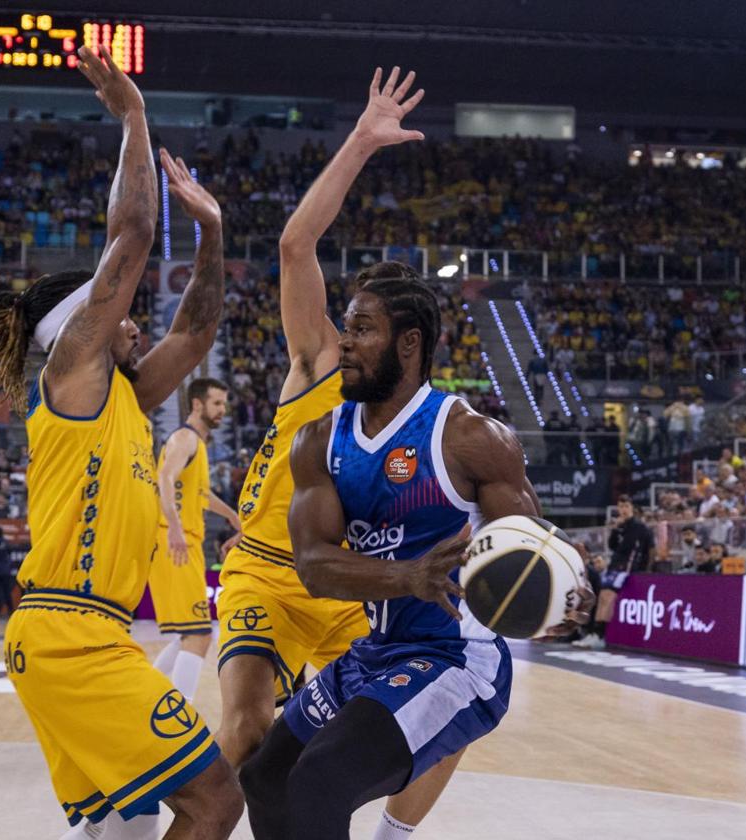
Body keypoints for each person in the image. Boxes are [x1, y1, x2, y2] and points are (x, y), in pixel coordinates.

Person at [0, 45, 241, 840]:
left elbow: (196, 330)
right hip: (70, 635)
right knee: (215, 799)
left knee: (122, 824)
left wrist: (214, 232)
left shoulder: (124, 393)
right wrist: (133, 117)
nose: (132, 319)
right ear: (77, 330)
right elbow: (131, 232)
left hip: (84, 632)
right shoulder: (76, 373)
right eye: (116, 312)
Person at [239, 246, 590, 839]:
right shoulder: (318, 441)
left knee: (322, 777)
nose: (344, 342)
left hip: (458, 659)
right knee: (266, 778)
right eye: (345, 328)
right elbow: (313, 567)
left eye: (363, 329)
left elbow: (536, 550)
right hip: (377, 649)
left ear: (409, 344)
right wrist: (407, 577)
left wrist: (569, 599)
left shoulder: (472, 438)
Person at [215, 67, 465, 839]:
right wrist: (360, 141)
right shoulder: (321, 363)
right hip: (269, 570)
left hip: (361, 594)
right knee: (254, 730)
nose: (354, 335)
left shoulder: (429, 424)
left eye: (372, 326)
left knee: (450, 711)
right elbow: (296, 244)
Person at [148, 377, 241, 705]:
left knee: (188, 635)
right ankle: (178, 713)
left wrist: (231, 515)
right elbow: (164, 477)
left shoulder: (197, 445)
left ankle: (147, 701)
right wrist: (173, 527)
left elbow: (200, 493)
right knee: (199, 634)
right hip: (175, 543)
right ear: (198, 404)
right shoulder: (185, 438)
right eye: (217, 403)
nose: (222, 410)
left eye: (224, 404)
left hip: (184, 542)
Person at [576, 496, 654, 650]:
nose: (623, 510)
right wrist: (615, 529)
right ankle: (593, 633)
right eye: (620, 506)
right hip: (614, 566)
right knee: (602, 597)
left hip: (626, 568)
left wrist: (646, 569)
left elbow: (650, 549)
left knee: (609, 597)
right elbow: (612, 546)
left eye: (626, 506)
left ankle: (600, 635)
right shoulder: (620, 526)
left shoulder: (640, 527)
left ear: (632, 508)